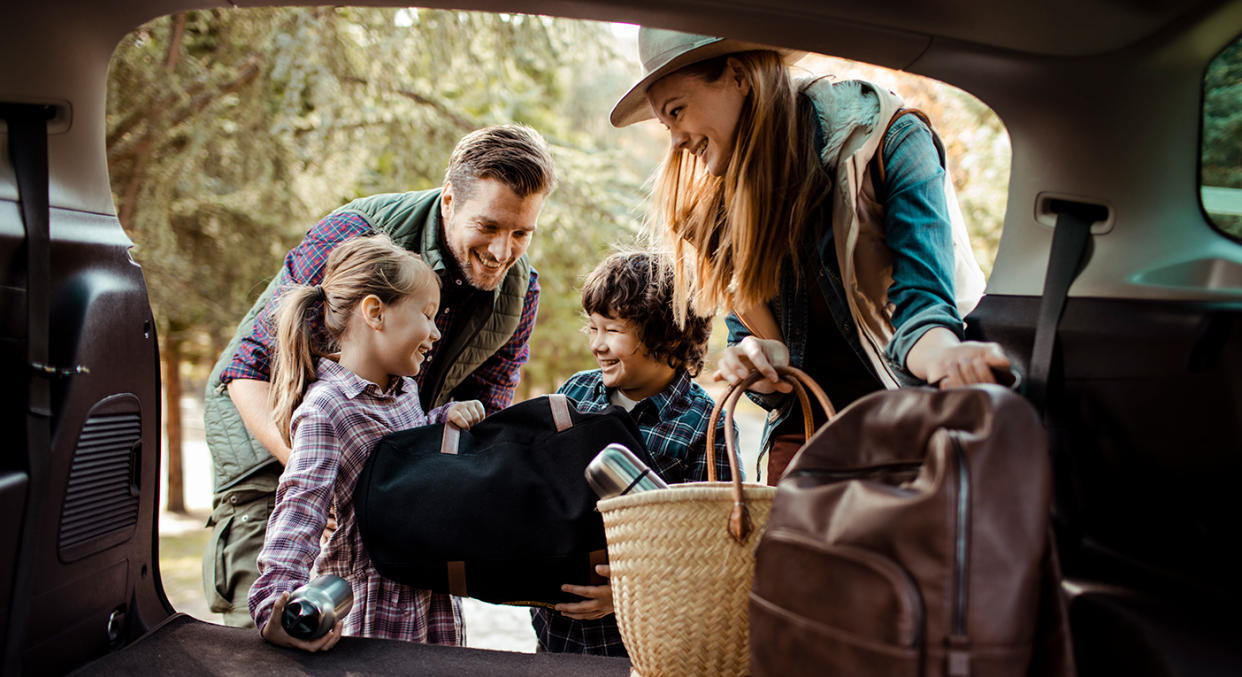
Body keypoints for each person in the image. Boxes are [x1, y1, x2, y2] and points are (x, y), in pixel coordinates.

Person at [611, 28, 1011, 484]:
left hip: (909, 425)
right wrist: (755, 361)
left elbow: (925, 313)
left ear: (739, 76)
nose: (677, 142)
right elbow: (767, 363)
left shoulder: (889, 139)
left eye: (677, 111)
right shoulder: (719, 214)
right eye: (667, 126)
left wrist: (950, 361)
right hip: (808, 446)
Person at [202, 124, 556, 626]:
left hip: (383, 471)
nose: (503, 251)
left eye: (522, 233)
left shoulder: (520, 295)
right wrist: (325, 481)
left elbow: (482, 424)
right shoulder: (355, 231)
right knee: (271, 637)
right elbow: (247, 369)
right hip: (273, 450)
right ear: (450, 199)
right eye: (490, 227)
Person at [247, 233, 485, 651]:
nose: (434, 332)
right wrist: (274, 608)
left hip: (428, 603)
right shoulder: (327, 409)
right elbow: (299, 512)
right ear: (375, 312)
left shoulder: (403, 391)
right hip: (373, 614)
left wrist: (440, 422)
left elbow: (401, 456)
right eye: (427, 315)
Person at [531, 250, 740, 657]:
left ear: (670, 334)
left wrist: (623, 597)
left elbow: (713, 552)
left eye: (612, 330)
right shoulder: (575, 393)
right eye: (592, 327)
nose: (597, 344)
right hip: (554, 637)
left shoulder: (706, 426)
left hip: (639, 644)